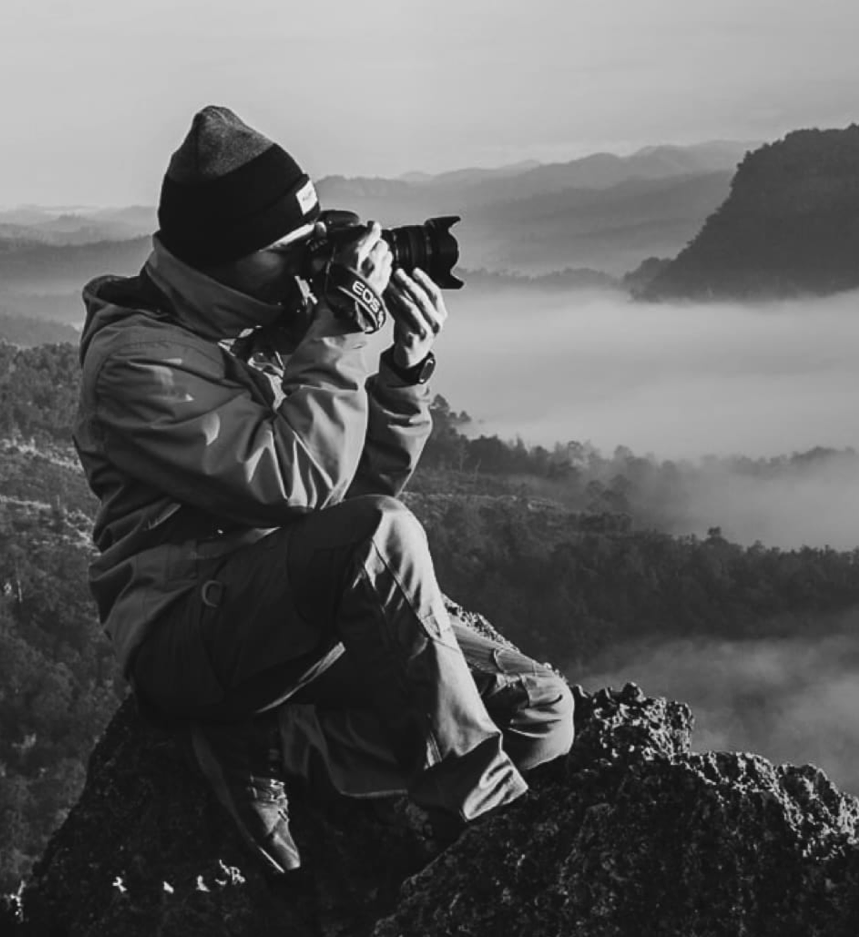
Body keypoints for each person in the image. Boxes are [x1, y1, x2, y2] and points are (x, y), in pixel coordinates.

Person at [73, 105, 573, 873]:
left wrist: (404, 378)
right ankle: (485, 825)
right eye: (291, 251)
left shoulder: (264, 325)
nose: (309, 266)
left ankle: (267, 743)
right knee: (386, 533)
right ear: (221, 257)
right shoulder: (137, 365)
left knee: (541, 713)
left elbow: (349, 497)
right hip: (191, 636)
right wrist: (340, 326)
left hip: (294, 615)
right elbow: (302, 488)